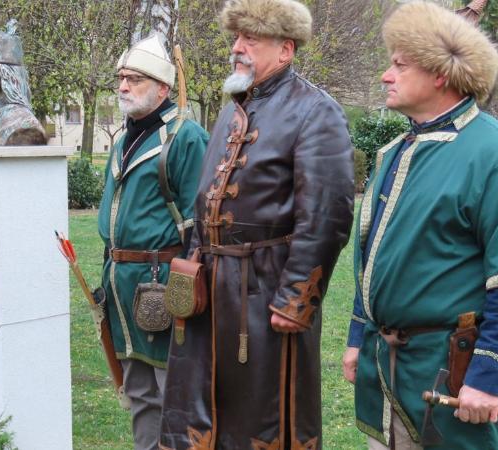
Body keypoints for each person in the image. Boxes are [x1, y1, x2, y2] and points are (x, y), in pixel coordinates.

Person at [342, 2, 498, 449]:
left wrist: (487, 377)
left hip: (452, 371)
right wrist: (357, 336)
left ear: (439, 74)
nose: (386, 76)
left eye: (399, 65)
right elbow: (372, 258)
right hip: (387, 366)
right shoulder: (394, 151)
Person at [160, 0, 354, 447]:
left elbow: (327, 215)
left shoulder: (315, 111)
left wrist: (294, 300)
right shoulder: (232, 110)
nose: (237, 48)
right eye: (236, 38)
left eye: (251, 39)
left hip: (266, 290)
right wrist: (191, 268)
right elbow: (205, 199)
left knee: (262, 415)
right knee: (203, 407)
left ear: (286, 49)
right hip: (212, 287)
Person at [98, 34, 208, 450]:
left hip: (163, 286)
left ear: (163, 88)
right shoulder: (122, 139)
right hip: (121, 285)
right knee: (138, 390)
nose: (124, 86)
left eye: (135, 79)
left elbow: (201, 226)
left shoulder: (185, 137)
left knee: (173, 392)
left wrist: (186, 290)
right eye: (121, 78)